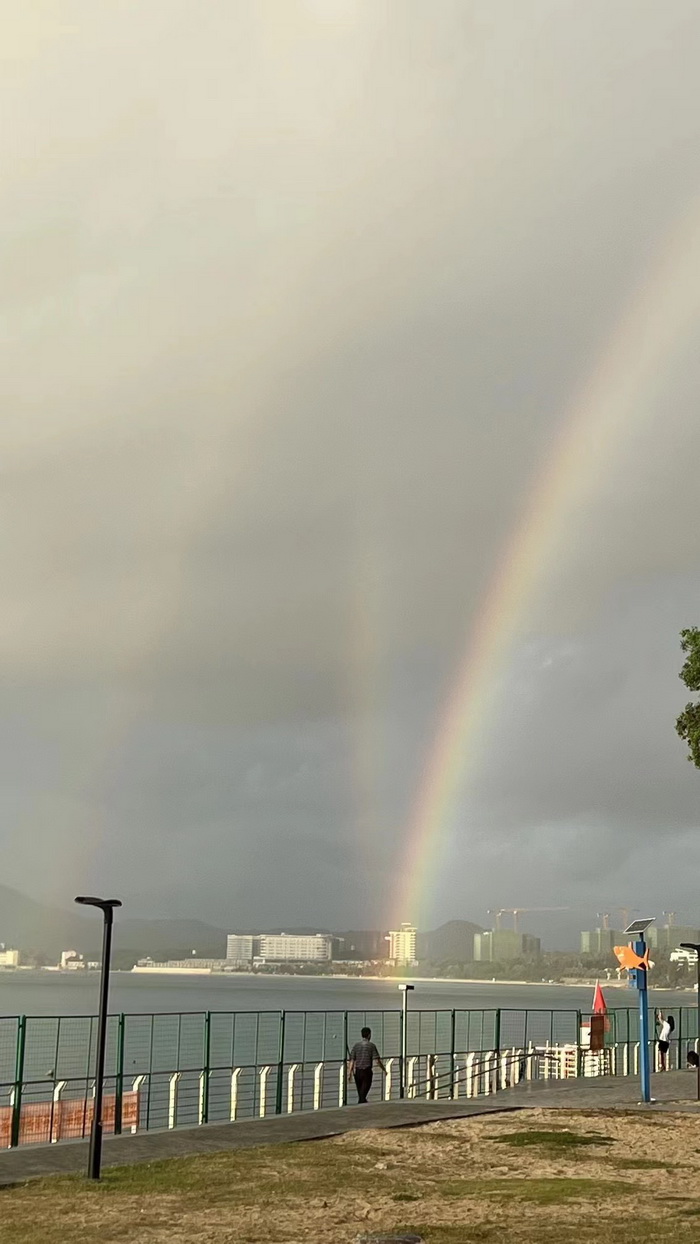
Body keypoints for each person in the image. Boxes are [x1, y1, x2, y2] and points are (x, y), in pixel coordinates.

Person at [347, 1027, 386, 1103]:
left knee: (361, 1092)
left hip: (358, 1071)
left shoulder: (356, 1046)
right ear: (369, 1035)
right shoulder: (371, 1046)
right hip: (367, 1071)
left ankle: (362, 1103)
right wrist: (384, 1069)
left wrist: (350, 1073)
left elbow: (352, 1060)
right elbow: (377, 1060)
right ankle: (362, 1104)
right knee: (364, 1090)